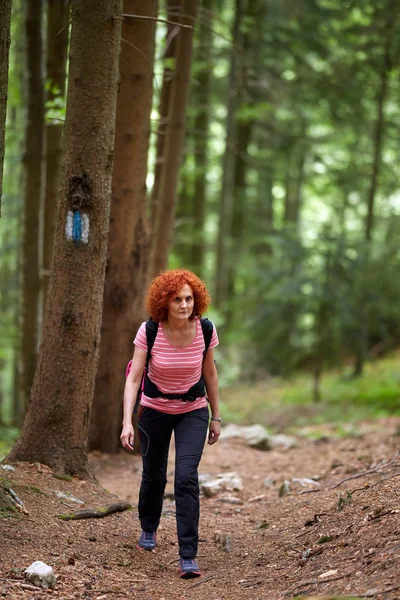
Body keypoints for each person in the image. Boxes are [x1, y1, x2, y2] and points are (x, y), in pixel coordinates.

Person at [120, 269, 221, 579]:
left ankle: (188, 555)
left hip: (193, 410)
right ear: (165, 301)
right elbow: (134, 377)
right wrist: (127, 421)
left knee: (186, 478)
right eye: (177, 299)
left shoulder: (205, 330)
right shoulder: (149, 331)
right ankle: (149, 527)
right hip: (153, 410)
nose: (184, 305)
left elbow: (210, 374)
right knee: (153, 475)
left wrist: (216, 416)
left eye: (189, 298)